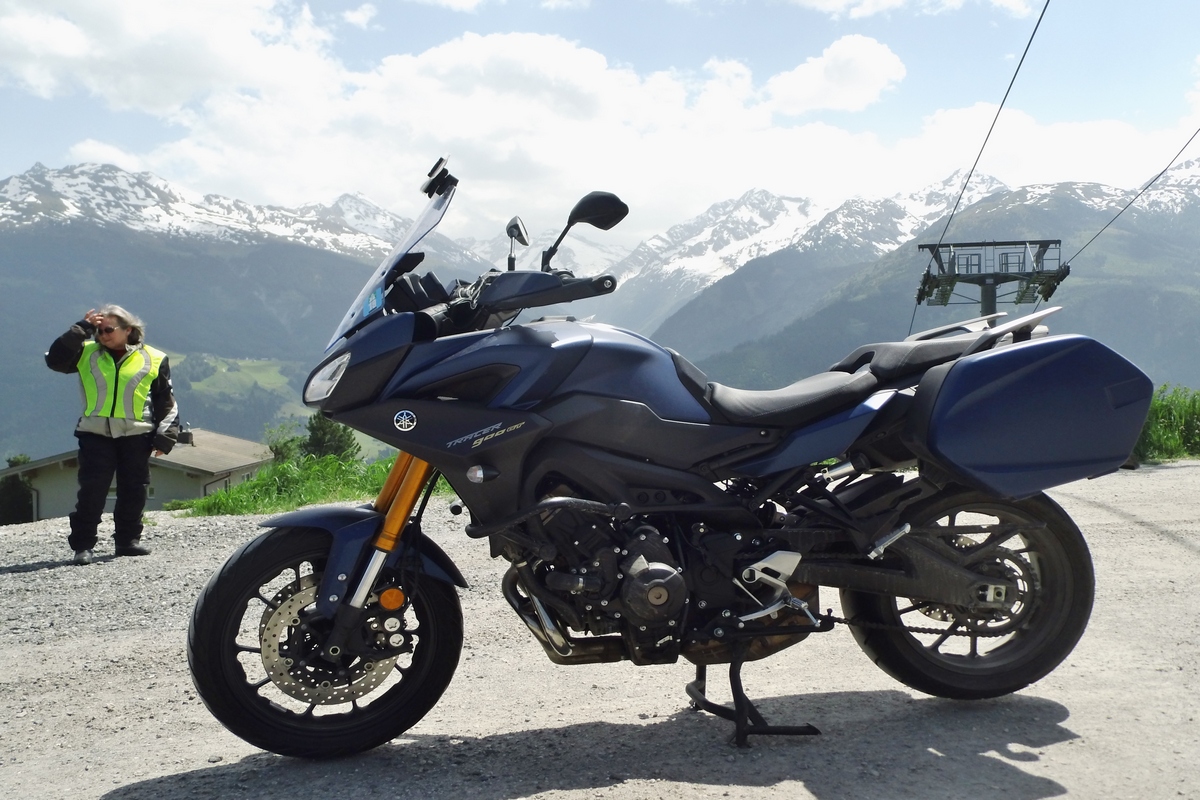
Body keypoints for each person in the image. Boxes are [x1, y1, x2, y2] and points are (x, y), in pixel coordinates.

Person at [45, 305, 180, 565]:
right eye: (98, 330)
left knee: (134, 490)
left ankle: (127, 541)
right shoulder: (85, 352)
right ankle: (83, 546)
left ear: (128, 330)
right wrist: (81, 329)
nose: (102, 335)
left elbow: (166, 400)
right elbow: (54, 360)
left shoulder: (154, 358)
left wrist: (166, 436)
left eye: (108, 329)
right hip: (95, 433)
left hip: (137, 434)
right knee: (92, 491)